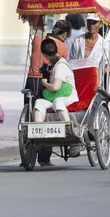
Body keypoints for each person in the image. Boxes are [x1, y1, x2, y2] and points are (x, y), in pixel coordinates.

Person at [23, 20, 70, 166]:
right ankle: (44, 158)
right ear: (65, 34)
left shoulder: (37, 39)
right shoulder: (63, 47)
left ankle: (27, 153)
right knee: (47, 114)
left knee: (30, 114)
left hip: (31, 80)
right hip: (45, 83)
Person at [33, 38, 78, 166]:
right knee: (39, 103)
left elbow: (55, 87)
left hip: (67, 96)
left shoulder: (61, 66)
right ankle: (38, 136)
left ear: (45, 55)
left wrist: (44, 83)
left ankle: (69, 132)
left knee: (58, 101)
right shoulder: (52, 65)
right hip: (55, 97)